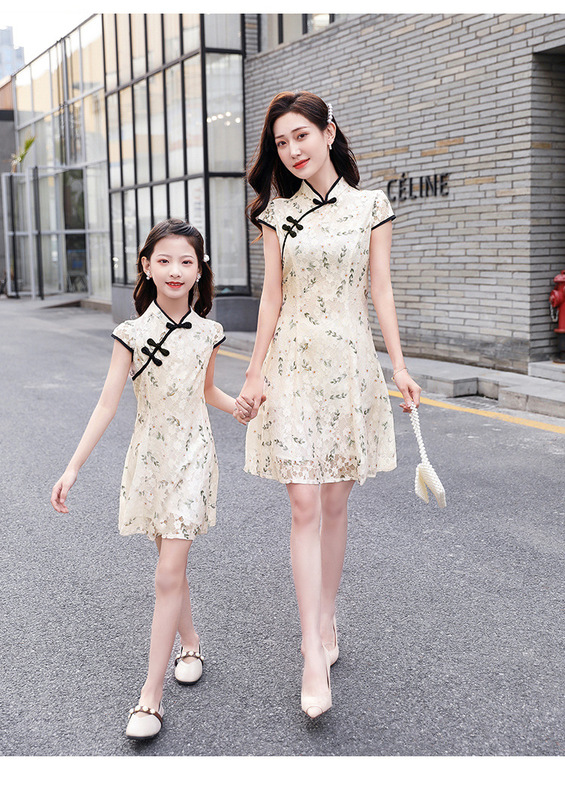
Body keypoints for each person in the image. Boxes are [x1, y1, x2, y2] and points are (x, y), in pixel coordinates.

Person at [236, 91, 421, 719]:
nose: (292, 151)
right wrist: (254, 370)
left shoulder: (371, 207)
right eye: (281, 142)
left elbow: (381, 288)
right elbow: (271, 298)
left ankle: (327, 616)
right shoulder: (277, 216)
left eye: (301, 136)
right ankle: (312, 651)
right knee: (303, 502)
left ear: (329, 133)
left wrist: (399, 366)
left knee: (336, 502)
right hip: (291, 365)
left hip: (349, 364)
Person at [51, 219, 252, 740]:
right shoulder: (130, 334)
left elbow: (207, 392)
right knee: (169, 564)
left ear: (200, 269)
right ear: (146, 266)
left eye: (186, 261)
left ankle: (150, 698)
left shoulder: (209, 333)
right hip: (149, 460)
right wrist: (72, 467)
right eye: (164, 260)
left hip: (193, 457)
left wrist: (241, 408)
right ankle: (192, 645)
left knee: (167, 573)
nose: (175, 270)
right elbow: (106, 404)